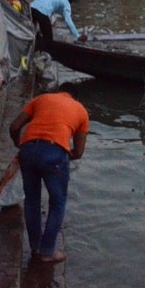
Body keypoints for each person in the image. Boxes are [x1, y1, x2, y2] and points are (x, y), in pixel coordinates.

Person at [8, 87, 89, 263]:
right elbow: (79, 152)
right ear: (75, 97)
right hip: (54, 153)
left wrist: (19, 144)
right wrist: (63, 156)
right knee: (58, 203)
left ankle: (35, 247)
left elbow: (14, 126)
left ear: (57, 92)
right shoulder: (81, 110)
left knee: (31, 200)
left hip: (28, 150)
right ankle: (47, 251)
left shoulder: (41, 99)